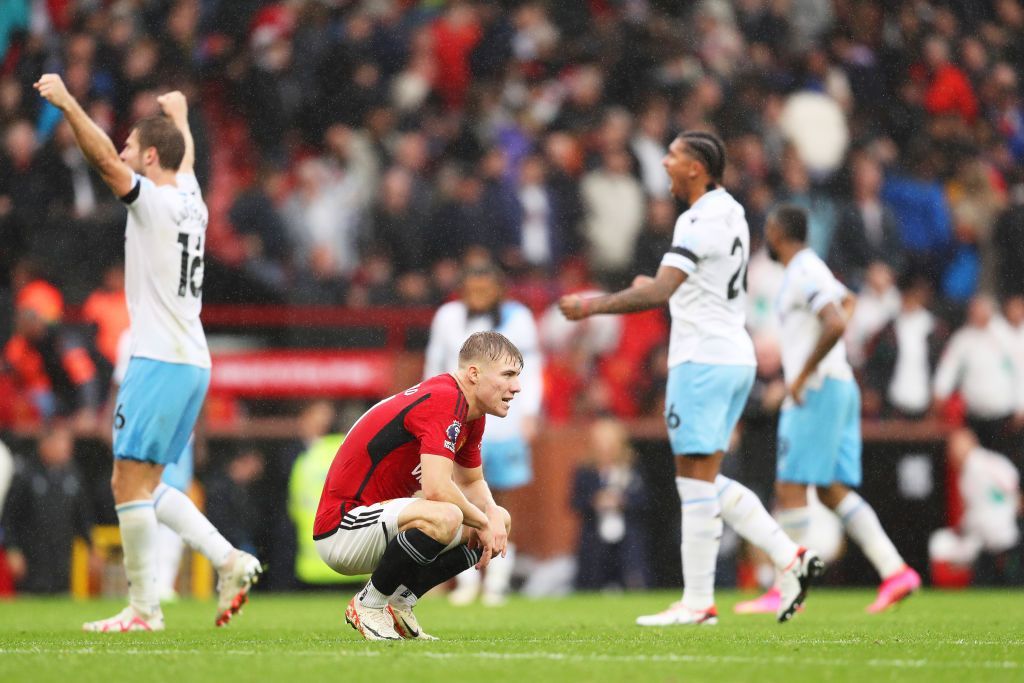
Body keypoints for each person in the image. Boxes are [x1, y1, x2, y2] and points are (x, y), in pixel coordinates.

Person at [559, 131, 821, 626]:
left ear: (696, 168)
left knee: (695, 482)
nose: (664, 161)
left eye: (674, 155)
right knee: (703, 480)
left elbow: (660, 292)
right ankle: (776, 564)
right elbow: (693, 287)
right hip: (732, 354)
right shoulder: (734, 213)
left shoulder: (696, 219)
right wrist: (660, 290)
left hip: (700, 360)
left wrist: (592, 305)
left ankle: (717, 593)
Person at [33, 74, 261, 632]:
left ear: (150, 155)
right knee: (143, 482)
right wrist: (181, 112)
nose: (123, 152)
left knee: (127, 484)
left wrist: (67, 103)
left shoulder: (156, 203)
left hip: (159, 359)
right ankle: (228, 559)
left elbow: (103, 161)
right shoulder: (191, 199)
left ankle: (144, 609)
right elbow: (186, 159)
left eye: (132, 145)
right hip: (191, 360)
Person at [735, 205, 921, 616]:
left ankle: (788, 587)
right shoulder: (809, 271)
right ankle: (896, 571)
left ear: (781, 234)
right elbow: (847, 303)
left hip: (817, 390)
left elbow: (835, 321)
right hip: (838, 385)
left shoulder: (803, 270)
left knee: (789, 484)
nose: (766, 238)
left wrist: (801, 375)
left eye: (769, 230)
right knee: (831, 489)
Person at [314, 331, 517, 641]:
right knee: (446, 515)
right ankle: (368, 605)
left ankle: (399, 603)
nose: (516, 387)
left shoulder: (471, 413)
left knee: (498, 516)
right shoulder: (445, 399)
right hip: (342, 528)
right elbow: (437, 489)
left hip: (381, 523)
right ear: (474, 374)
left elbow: (472, 481)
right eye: (508, 375)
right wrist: (482, 520)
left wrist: (490, 517)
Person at [423, 262, 542, 606]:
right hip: (460, 420)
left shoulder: (518, 317)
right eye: (472, 290)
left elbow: (531, 368)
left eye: (485, 290)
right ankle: (465, 581)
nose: (478, 297)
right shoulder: (447, 317)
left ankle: (497, 583)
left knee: (502, 501)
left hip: (507, 423)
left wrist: (531, 411)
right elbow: (435, 364)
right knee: (459, 499)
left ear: (498, 290)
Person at [0, 424, 93, 594]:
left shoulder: (73, 475)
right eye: (62, 441)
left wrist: (91, 546)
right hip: (31, 560)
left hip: (62, 560)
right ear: (45, 443)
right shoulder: (25, 474)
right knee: (29, 601)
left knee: (61, 599)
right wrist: (12, 549)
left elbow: (82, 515)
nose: (67, 447)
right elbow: (9, 516)